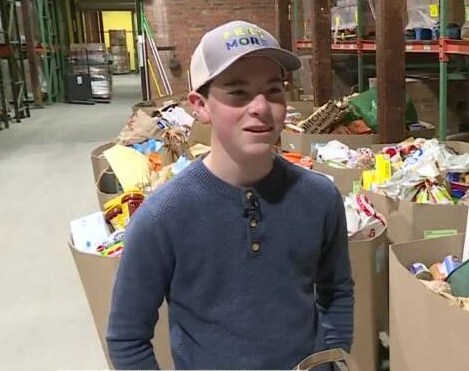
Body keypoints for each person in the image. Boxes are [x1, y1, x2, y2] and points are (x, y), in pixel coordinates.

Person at [106, 20, 354, 370]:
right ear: (200, 106)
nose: (261, 107)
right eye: (238, 92)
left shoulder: (319, 197)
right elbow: (127, 338)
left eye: (273, 90)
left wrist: (333, 360)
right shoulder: (163, 217)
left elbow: (337, 291)